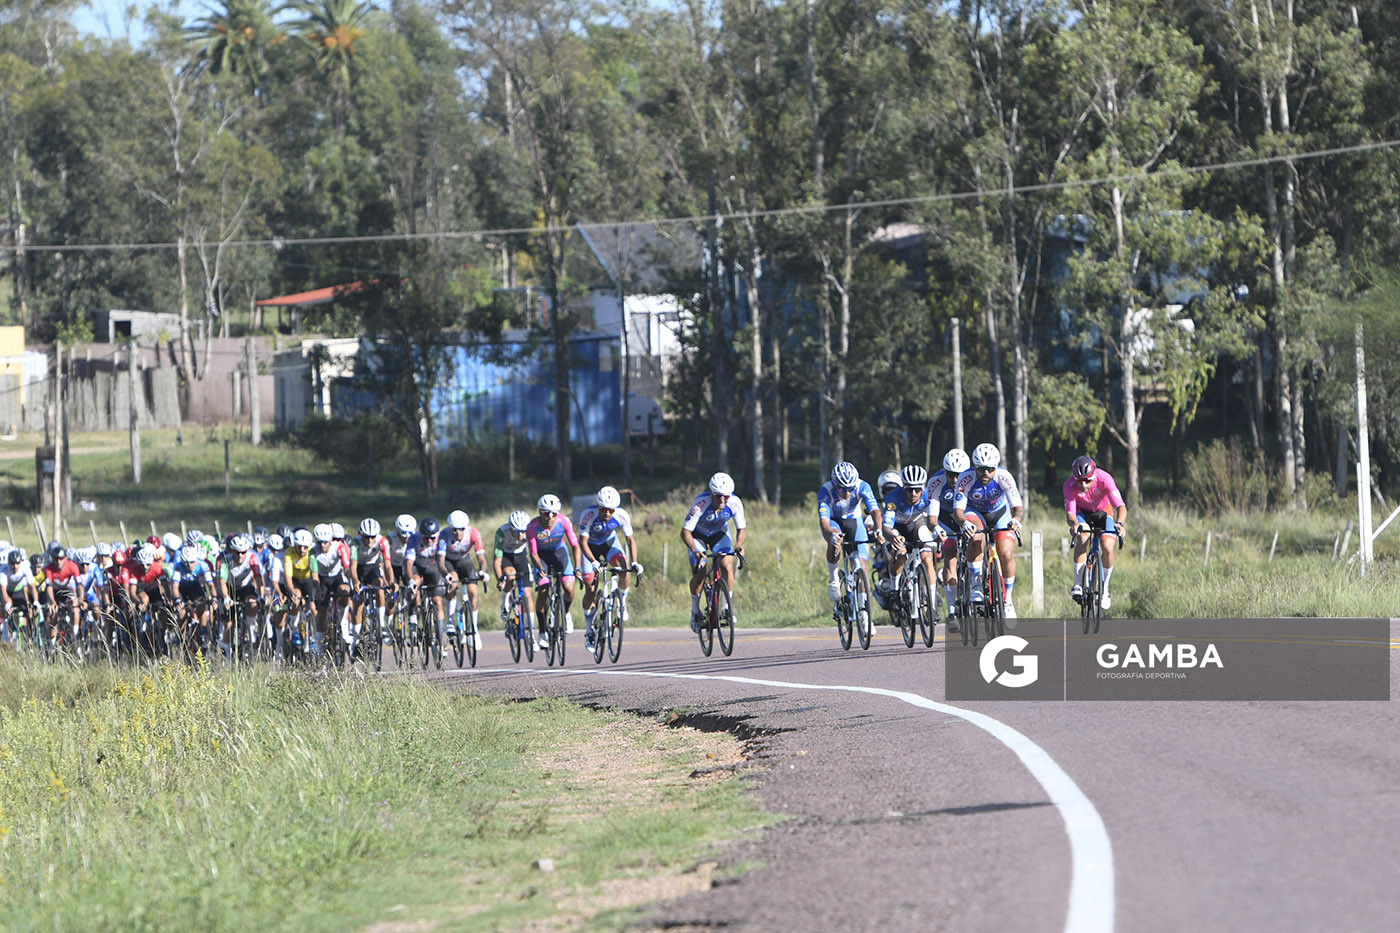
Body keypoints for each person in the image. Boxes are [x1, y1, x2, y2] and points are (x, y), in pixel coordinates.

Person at [952, 443, 1025, 618]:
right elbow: (958, 511)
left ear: (996, 467)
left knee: (1006, 553)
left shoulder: (1004, 477)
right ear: (974, 467)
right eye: (981, 469)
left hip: (999, 512)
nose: (985, 473)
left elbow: (1018, 508)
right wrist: (964, 524)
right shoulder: (965, 478)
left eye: (990, 469)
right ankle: (976, 584)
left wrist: (1016, 520)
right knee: (976, 535)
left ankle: (1008, 600)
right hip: (974, 512)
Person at [579, 485, 642, 652]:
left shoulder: (622, 515)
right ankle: (589, 630)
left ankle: (622, 603)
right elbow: (582, 543)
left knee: (624, 570)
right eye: (603, 509)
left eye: (611, 510)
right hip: (590, 548)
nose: (607, 513)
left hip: (609, 544)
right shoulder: (588, 515)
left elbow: (630, 540)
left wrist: (635, 562)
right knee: (590, 587)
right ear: (597, 506)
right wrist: (593, 562)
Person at [681, 472, 747, 633]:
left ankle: (726, 608)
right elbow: (685, 532)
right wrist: (695, 550)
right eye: (718, 496)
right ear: (711, 493)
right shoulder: (700, 504)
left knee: (727, 564)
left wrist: (739, 545)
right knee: (700, 571)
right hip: (697, 536)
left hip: (719, 534)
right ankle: (695, 611)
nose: (723, 500)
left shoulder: (735, 503)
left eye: (726, 496)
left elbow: (742, 529)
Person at [879, 464, 943, 625]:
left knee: (928, 557)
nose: (913, 494)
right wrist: (893, 538)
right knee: (901, 554)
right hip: (897, 528)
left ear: (923, 487)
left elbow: (934, 518)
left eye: (917, 489)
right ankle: (894, 590)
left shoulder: (929, 495)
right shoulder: (894, 497)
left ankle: (932, 605)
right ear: (903, 488)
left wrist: (938, 532)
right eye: (909, 490)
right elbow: (886, 527)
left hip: (917, 524)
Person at [1064, 454, 1126, 610]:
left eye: (1087, 480)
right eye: (1079, 481)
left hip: (1103, 512)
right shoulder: (1069, 486)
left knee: (1108, 546)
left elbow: (1120, 506)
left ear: (1094, 475)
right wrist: (1075, 524)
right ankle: (1078, 583)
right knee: (1083, 535)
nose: (1084, 485)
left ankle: (1105, 588)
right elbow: (1071, 513)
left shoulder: (1105, 479)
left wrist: (1120, 524)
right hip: (1082, 514)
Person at [817, 461, 882, 607]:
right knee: (835, 539)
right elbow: (824, 523)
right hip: (834, 522)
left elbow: (875, 511)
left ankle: (863, 609)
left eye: (850, 489)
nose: (846, 493)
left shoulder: (863, 486)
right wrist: (831, 535)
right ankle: (834, 579)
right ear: (835, 485)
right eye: (842, 489)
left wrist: (878, 529)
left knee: (861, 566)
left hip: (854, 521)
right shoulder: (825, 491)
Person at [526, 495, 582, 647]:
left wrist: (577, 567)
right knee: (543, 589)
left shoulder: (564, 521)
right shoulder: (532, 527)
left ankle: (566, 612)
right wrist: (540, 568)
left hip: (559, 553)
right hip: (541, 557)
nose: (550, 517)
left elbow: (575, 545)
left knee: (569, 589)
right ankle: (542, 632)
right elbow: (533, 553)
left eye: (554, 513)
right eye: (546, 513)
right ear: (540, 512)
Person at [927, 448, 969, 632]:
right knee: (950, 557)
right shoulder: (936, 482)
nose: (955, 479)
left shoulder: (971, 479)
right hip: (946, 519)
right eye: (951, 475)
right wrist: (937, 529)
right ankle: (952, 612)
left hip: (967, 515)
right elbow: (931, 517)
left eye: (958, 475)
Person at [439, 510, 487, 651]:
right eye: (454, 530)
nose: (458, 533)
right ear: (450, 528)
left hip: (464, 561)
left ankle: (474, 630)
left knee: (473, 592)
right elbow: (440, 561)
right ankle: (450, 622)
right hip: (448, 562)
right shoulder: (444, 534)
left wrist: (482, 571)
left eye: (461, 529)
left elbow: (482, 559)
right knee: (453, 582)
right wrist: (446, 575)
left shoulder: (473, 533)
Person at [493, 510, 535, 634]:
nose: (520, 535)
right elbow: (497, 560)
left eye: (523, 531)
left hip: (521, 556)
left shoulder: (530, 531)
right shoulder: (502, 532)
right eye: (517, 532)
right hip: (506, 556)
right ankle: (505, 603)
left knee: (528, 593)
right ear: (511, 528)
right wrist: (500, 579)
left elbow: (534, 551)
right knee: (510, 576)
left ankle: (531, 631)